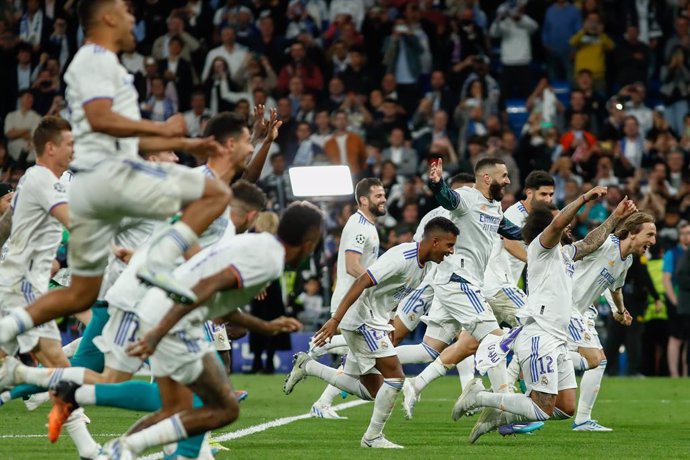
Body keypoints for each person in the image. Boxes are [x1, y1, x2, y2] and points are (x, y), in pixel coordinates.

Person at [0, 0, 232, 351]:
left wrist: (184, 140)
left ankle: (5, 331)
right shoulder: (93, 60)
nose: (132, 19)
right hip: (114, 177)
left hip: (98, 183)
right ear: (108, 17)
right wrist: (164, 127)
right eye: (127, 13)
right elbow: (100, 118)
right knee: (217, 193)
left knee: (80, 294)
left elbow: (123, 130)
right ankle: (155, 263)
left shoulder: (104, 64)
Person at [84, 202, 322, 459]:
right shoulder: (270, 260)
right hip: (175, 319)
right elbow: (206, 286)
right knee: (224, 407)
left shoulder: (260, 243)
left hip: (162, 309)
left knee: (174, 408)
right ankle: (83, 400)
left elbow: (217, 301)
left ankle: (116, 450)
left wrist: (264, 326)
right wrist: (158, 332)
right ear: (309, 242)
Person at [451, 188, 636, 443]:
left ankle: (498, 415)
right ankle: (478, 397)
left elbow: (592, 242)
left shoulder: (564, 254)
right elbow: (560, 222)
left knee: (566, 408)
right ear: (549, 227)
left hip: (557, 339)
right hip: (540, 334)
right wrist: (582, 198)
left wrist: (615, 217)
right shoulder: (541, 248)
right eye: (561, 221)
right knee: (540, 409)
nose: (567, 224)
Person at [284, 217, 459, 448]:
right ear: (435, 241)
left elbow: (389, 296)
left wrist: (387, 323)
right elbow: (362, 281)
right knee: (395, 377)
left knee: (372, 392)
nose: (451, 251)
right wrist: (335, 319)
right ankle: (372, 438)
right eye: (449, 245)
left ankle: (308, 366)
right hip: (361, 318)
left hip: (375, 320)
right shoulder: (402, 257)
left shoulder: (425, 266)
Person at [0, 116, 99, 458]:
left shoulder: (36, 178)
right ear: (51, 147)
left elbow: (9, 225)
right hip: (22, 288)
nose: (74, 149)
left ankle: (34, 387)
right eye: (69, 144)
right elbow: (72, 220)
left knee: (22, 368)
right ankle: (88, 449)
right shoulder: (43, 180)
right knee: (58, 365)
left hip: (20, 283)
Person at [401, 157, 523, 419]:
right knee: (495, 338)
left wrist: (548, 231)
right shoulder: (466, 198)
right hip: (459, 281)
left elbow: (512, 231)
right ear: (487, 178)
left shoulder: (495, 207)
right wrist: (436, 184)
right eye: (504, 175)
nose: (509, 180)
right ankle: (503, 406)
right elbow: (448, 198)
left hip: (454, 283)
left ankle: (415, 383)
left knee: (433, 348)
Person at [568, 212, 655, 432]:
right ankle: (529, 358)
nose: (653, 241)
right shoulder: (606, 243)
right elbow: (584, 244)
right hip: (563, 306)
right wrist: (616, 215)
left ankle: (582, 420)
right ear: (633, 233)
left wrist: (620, 310)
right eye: (650, 234)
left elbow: (615, 288)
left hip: (581, 311)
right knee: (596, 360)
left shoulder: (628, 260)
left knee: (598, 361)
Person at [308, 177, 386, 419]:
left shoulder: (367, 225)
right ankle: (315, 351)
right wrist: (379, 284)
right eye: (378, 196)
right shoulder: (359, 226)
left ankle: (321, 403)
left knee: (355, 358)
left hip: (360, 301)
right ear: (363, 200)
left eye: (384, 195)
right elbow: (353, 266)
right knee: (378, 382)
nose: (383, 199)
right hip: (351, 303)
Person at [482, 171, 555, 328]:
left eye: (551, 194)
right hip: (499, 285)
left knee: (472, 342)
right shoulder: (515, 213)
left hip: (496, 286)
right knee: (535, 323)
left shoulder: (538, 217)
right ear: (529, 192)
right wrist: (536, 262)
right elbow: (509, 243)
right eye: (543, 194)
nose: (548, 199)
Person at [664, 222, 690, 377]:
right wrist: (674, 301)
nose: (686, 236)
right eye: (684, 233)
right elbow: (666, 279)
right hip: (678, 302)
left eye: (688, 232)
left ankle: (686, 374)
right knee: (675, 338)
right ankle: (674, 373)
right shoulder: (672, 254)